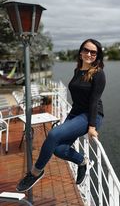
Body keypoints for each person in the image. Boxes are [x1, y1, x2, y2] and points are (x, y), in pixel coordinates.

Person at [16, 38, 106, 192]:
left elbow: (93, 102)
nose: (89, 54)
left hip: (91, 115)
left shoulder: (99, 74)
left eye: (93, 52)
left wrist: (91, 127)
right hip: (76, 113)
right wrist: (72, 115)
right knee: (58, 149)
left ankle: (36, 172)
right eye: (86, 50)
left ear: (97, 56)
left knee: (54, 134)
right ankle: (82, 162)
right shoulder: (78, 71)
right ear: (80, 52)